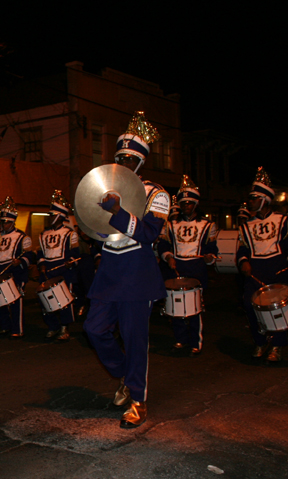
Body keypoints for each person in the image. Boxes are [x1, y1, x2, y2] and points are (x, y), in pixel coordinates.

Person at [82, 111, 170, 429]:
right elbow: (94, 230)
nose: (124, 162)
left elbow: (148, 234)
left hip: (137, 275)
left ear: (140, 163)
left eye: (130, 158)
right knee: (94, 328)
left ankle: (138, 400)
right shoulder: (104, 191)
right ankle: (125, 374)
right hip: (109, 274)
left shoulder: (156, 194)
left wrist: (118, 212)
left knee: (135, 339)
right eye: (120, 157)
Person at [237, 168, 288, 362]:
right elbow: (242, 250)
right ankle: (260, 341)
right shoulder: (245, 226)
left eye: (254, 198)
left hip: (276, 267)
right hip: (255, 268)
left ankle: (278, 345)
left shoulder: (283, 220)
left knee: (276, 308)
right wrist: (244, 262)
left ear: (264, 200)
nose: (250, 202)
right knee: (250, 305)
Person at [157, 175, 218, 356]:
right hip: (176, 267)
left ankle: (195, 342)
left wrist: (209, 258)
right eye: (183, 203)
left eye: (190, 203)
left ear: (196, 204)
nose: (186, 207)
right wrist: (168, 257)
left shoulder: (208, 225)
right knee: (176, 307)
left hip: (196, 269)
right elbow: (163, 246)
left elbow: (212, 248)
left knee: (195, 309)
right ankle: (180, 339)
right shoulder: (171, 225)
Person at [36, 190, 80, 341]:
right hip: (47, 270)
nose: (51, 218)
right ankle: (53, 326)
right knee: (45, 300)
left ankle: (64, 327)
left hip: (64, 270)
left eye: (53, 215)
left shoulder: (70, 233)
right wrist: (41, 266)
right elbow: (40, 253)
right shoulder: (43, 234)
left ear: (61, 216)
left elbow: (75, 253)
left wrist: (70, 262)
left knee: (64, 301)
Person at [0, 196, 34, 338]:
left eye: (5, 223)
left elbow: (30, 255)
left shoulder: (23, 237)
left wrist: (21, 261)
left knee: (16, 303)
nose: (2, 225)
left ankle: (17, 328)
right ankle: (5, 326)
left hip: (16, 273)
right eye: (1, 222)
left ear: (12, 222)